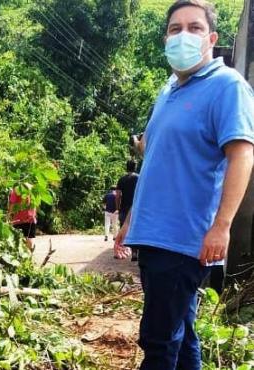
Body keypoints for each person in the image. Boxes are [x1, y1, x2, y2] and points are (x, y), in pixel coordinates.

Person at [114, 1, 254, 369]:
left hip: (184, 239)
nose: (183, 36)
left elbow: (242, 156)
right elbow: (157, 162)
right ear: (165, 38)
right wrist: (130, 220)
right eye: (175, 29)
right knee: (183, 335)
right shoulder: (168, 90)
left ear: (212, 38)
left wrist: (222, 226)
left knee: (158, 342)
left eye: (194, 28)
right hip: (155, 233)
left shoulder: (227, 87)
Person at [116, 160, 139, 261]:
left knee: (123, 229)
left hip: (124, 208)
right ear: (135, 167)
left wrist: (117, 208)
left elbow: (118, 195)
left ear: (127, 167)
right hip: (136, 208)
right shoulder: (139, 178)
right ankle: (134, 253)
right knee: (135, 229)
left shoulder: (121, 179)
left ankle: (121, 251)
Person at [8, 187, 37, 252]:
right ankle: (29, 255)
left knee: (18, 240)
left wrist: (8, 217)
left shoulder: (15, 191)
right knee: (29, 238)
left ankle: (25, 256)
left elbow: (11, 205)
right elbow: (35, 204)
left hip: (18, 220)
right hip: (30, 218)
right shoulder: (32, 190)